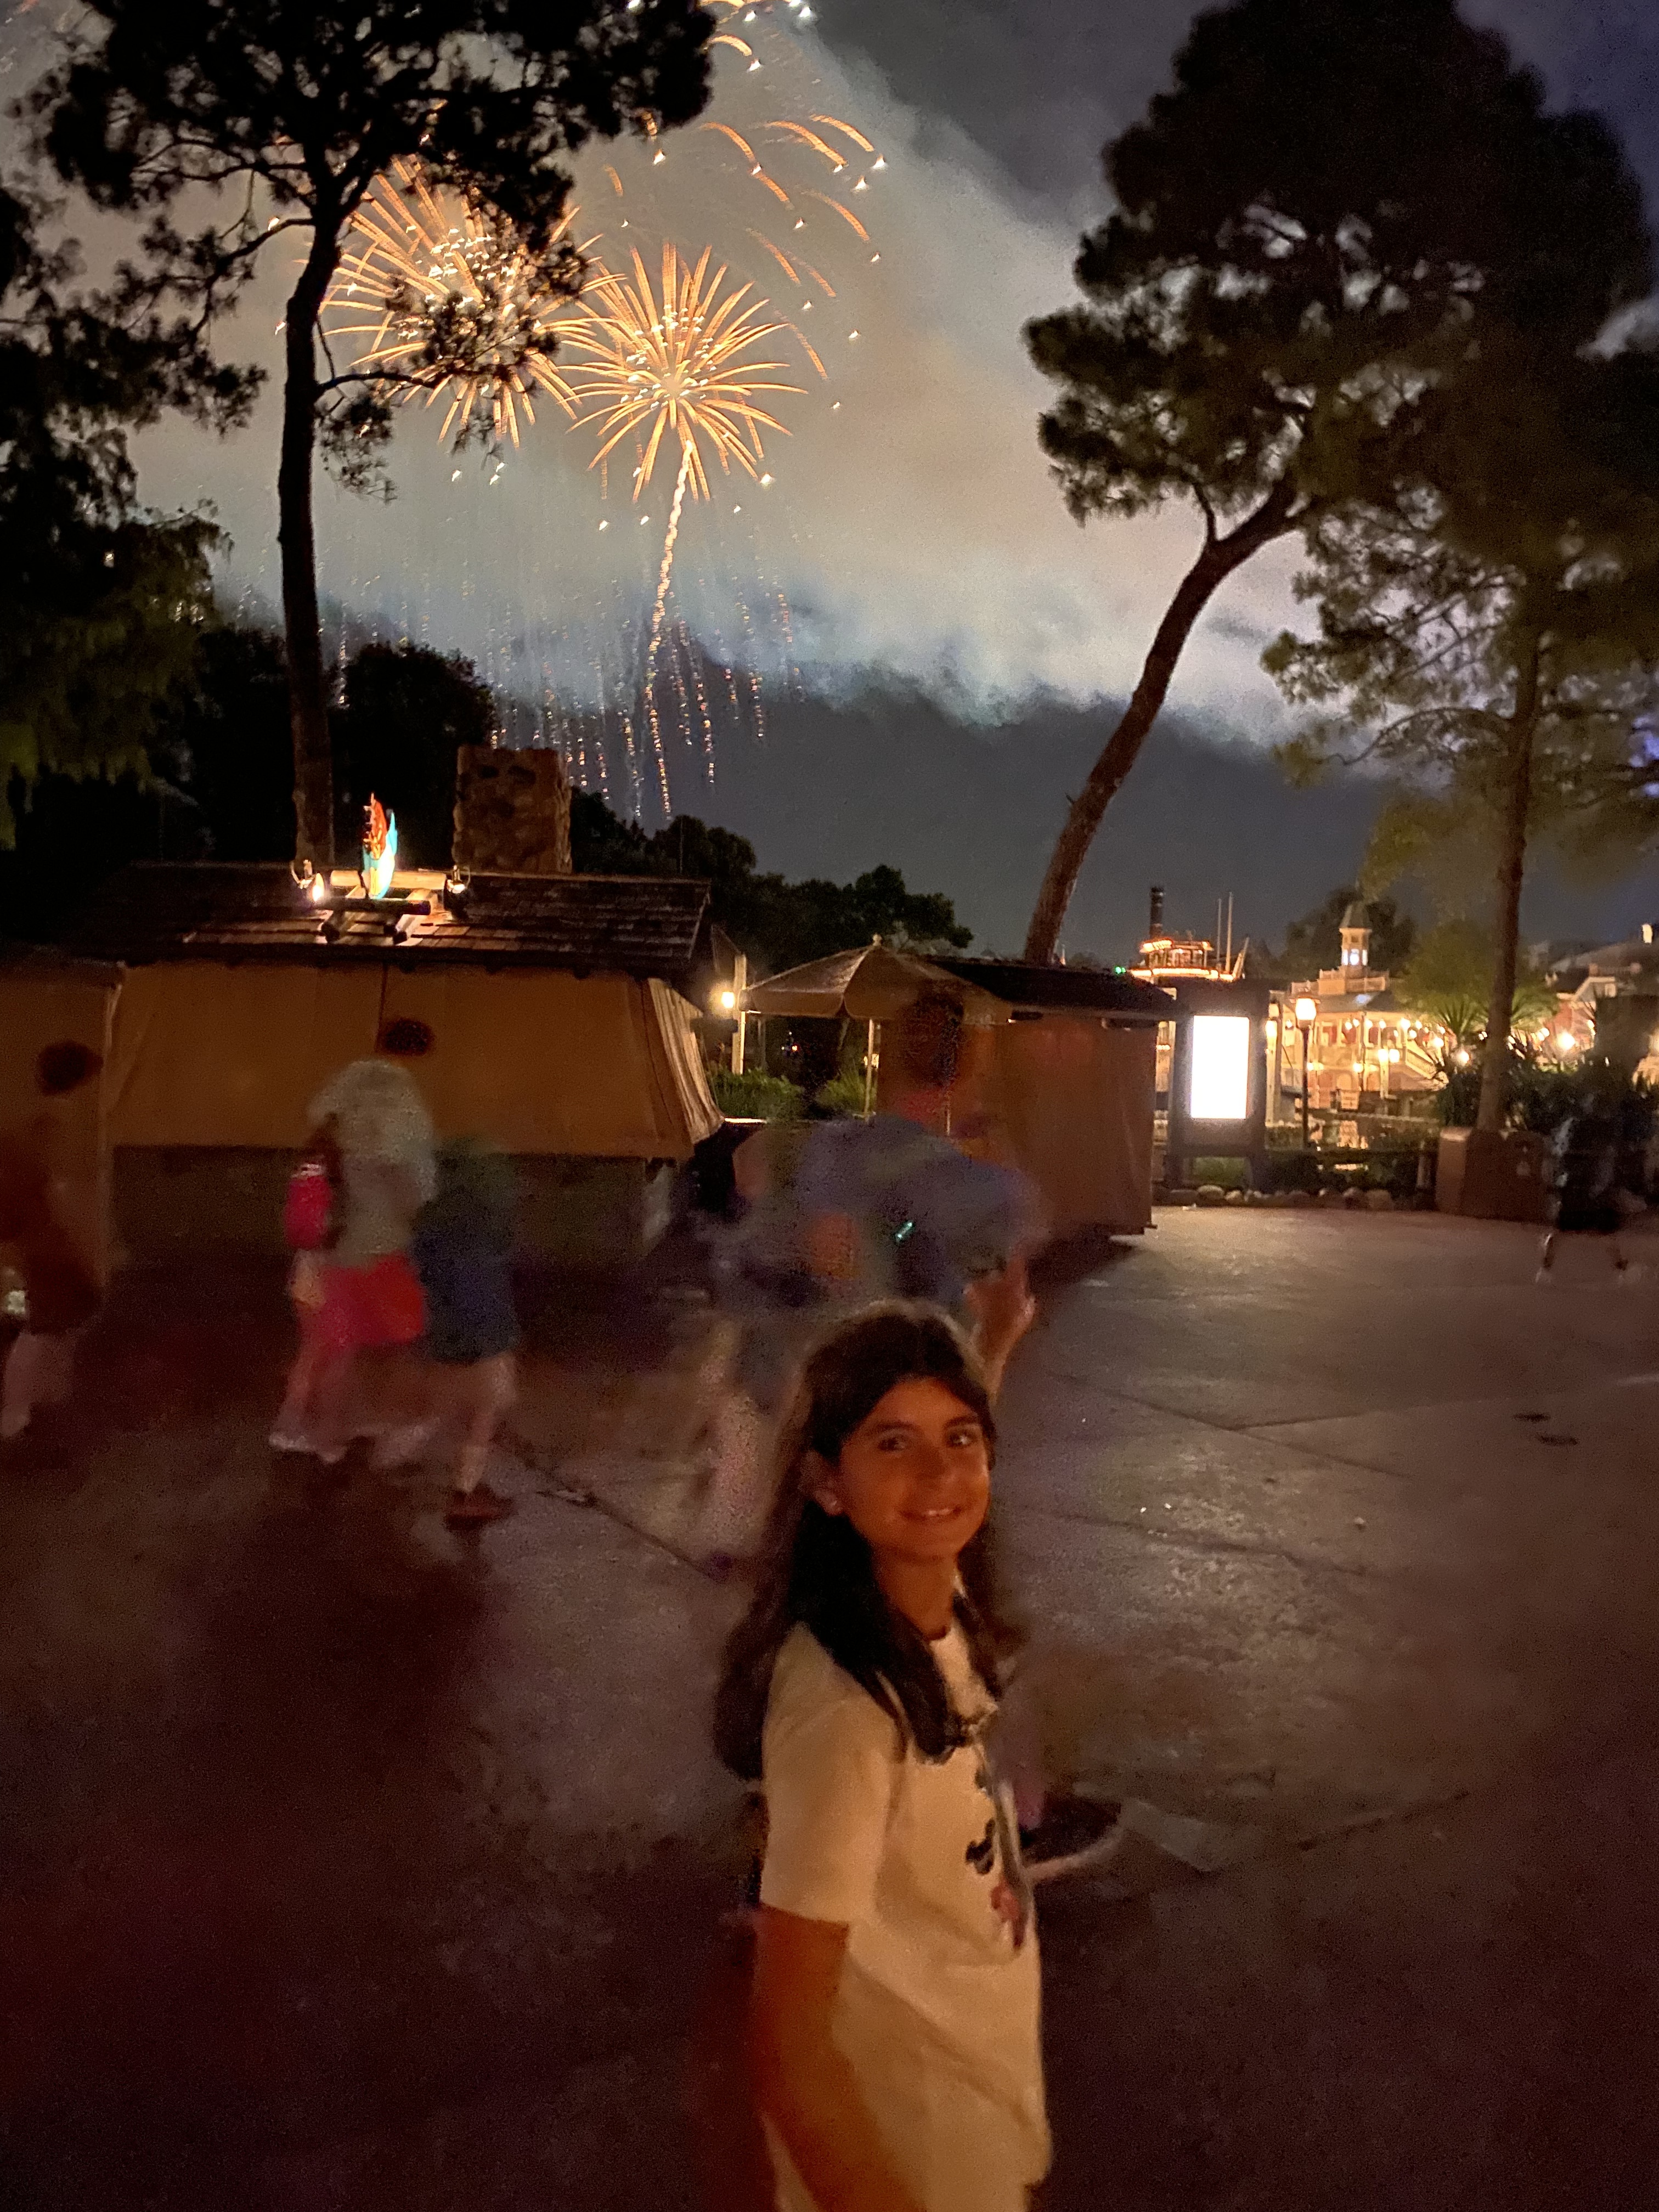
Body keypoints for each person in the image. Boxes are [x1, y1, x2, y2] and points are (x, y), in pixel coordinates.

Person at [713, 1305, 1048, 2212]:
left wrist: (994, 1344)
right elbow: (789, 2048)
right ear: (826, 1482)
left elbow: (940, 1485)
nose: (939, 1473)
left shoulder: (936, 1605)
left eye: (960, 1438)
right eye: (892, 1443)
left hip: (974, 2099)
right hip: (906, 2151)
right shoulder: (849, 1715)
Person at [294, 1058, 435, 1463]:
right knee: (402, 1341)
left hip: (336, 1254)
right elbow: (418, 1194)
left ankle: (327, 1436)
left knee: (339, 1349)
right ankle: (387, 1423)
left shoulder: (328, 1139)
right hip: (385, 1252)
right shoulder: (404, 1122)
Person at [410, 1136, 520, 1526]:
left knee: (455, 1406)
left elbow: (425, 1271)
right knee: (487, 1407)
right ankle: (465, 1491)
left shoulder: (431, 1217)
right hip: (480, 1330)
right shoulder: (480, 1220)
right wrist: (490, 1337)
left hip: (445, 1326)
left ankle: (460, 1479)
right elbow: (479, 1284)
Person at [0, 1043, 104, 1442]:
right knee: (47, 1328)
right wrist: (84, 1247)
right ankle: (21, 1413)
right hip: (50, 1245)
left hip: (42, 1243)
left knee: (56, 1327)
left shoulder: (36, 1122)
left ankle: (37, 1409)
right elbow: (63, 1192)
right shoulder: (61, 1124)